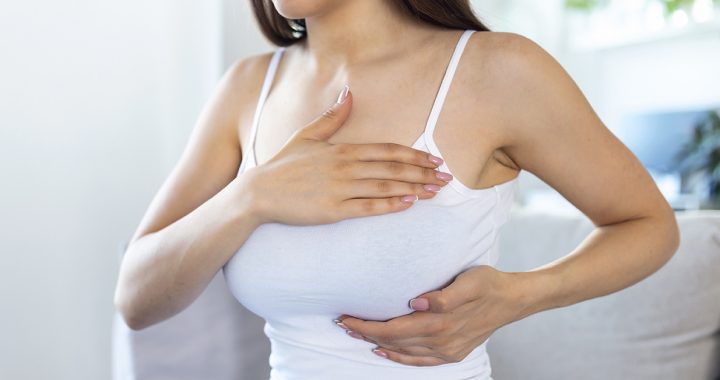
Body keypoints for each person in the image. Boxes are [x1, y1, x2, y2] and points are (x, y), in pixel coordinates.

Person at [113, 0, 681, 379]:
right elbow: (138, 298)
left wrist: (520, 296)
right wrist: (252, 196)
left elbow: (648, 225)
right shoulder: (245, 88)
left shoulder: (499, 70)